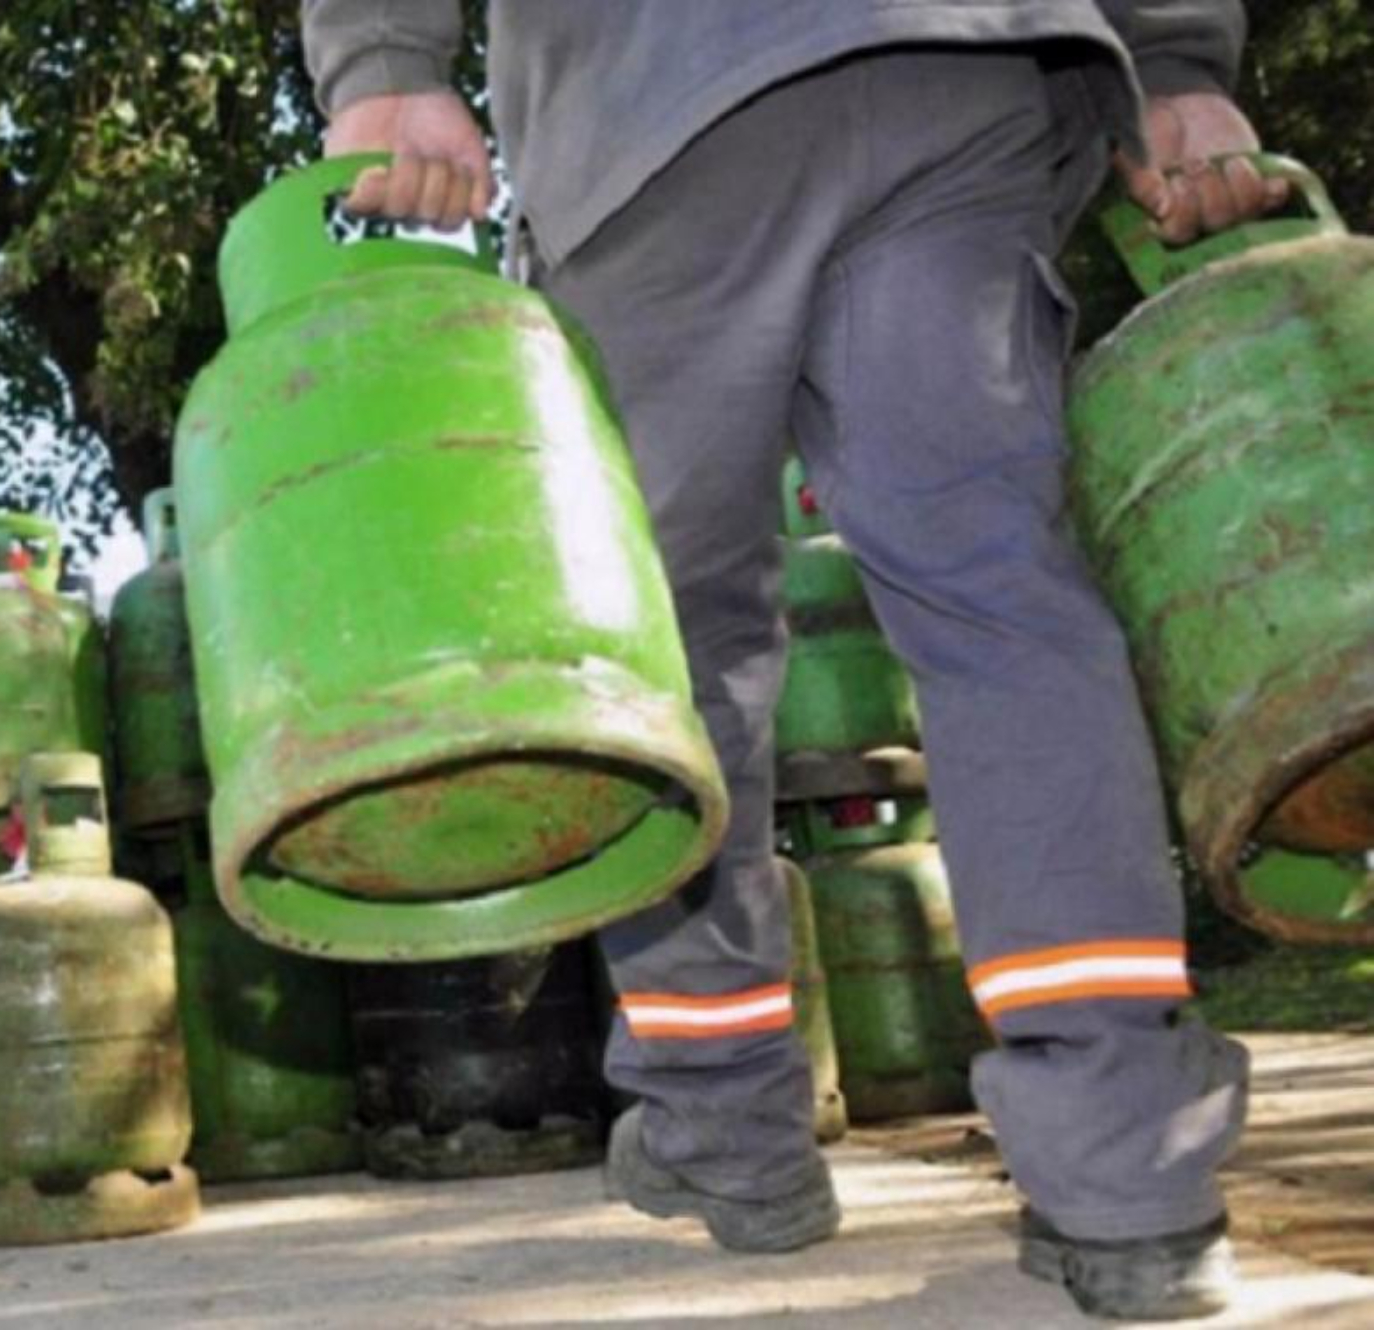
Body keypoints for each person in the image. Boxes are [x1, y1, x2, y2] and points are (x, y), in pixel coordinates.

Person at [300, 1, 1281, 1320]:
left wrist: (383, 69)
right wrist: (1171, 61)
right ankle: (1126, 1164)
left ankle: (727, 1125)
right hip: (958, 69)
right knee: (1002, 605)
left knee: (673, 644)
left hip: (655, 105)